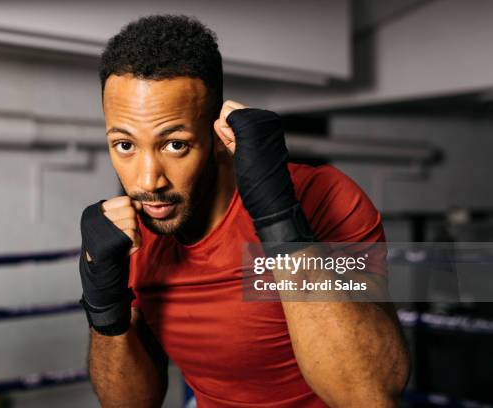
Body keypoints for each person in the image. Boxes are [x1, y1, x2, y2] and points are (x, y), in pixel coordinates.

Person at [78, 14, 409, 407]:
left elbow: (370, 394)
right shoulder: (134, 234)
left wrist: (279, 220)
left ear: (217, 134)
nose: (148, 181)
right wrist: (103, 304)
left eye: (175, 144)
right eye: (125, 145)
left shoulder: (326, 198)